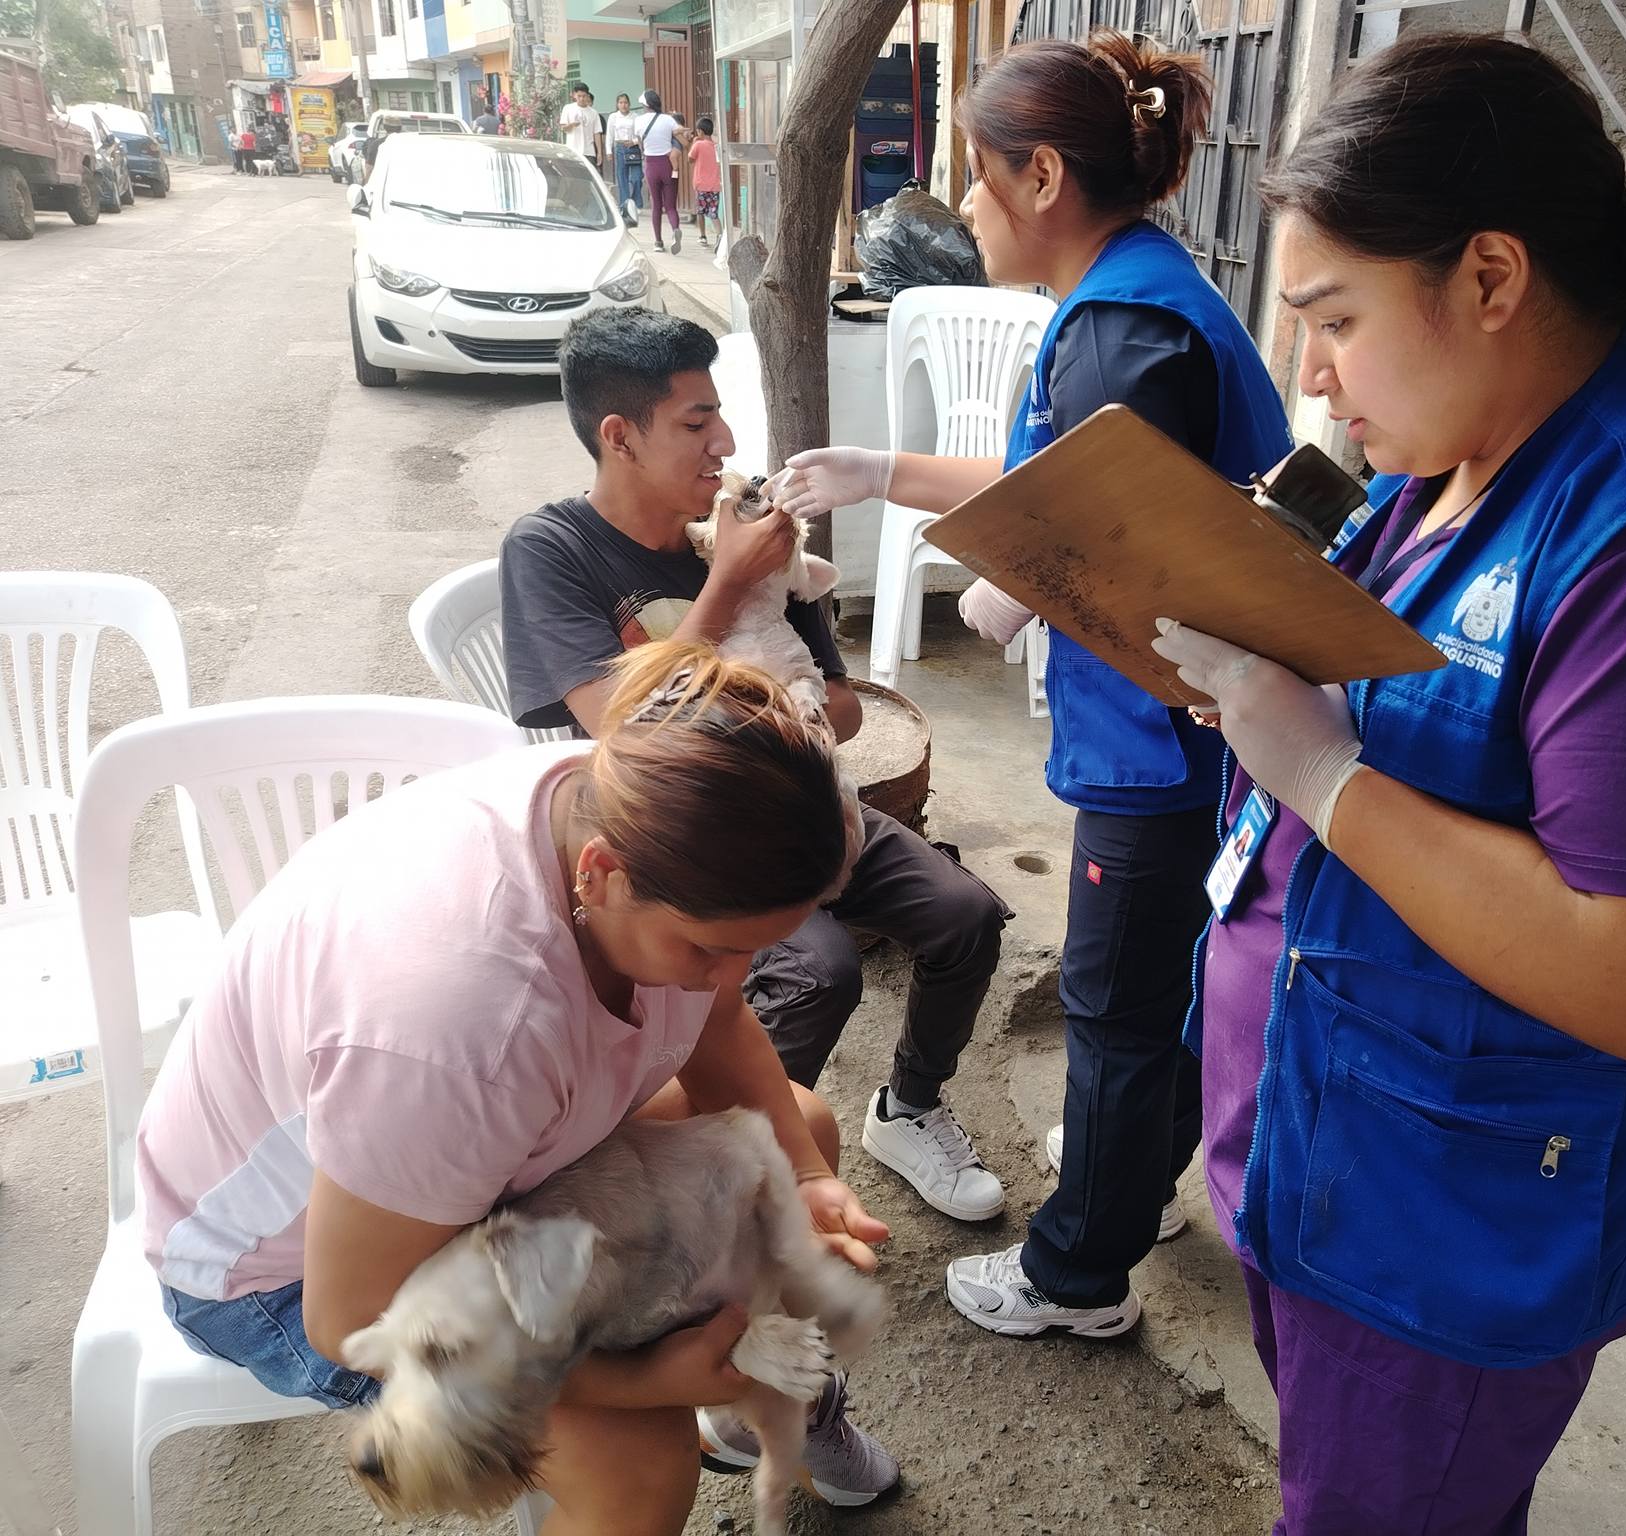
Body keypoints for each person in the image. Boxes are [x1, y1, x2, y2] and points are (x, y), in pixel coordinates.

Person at [1145, 34, 1626, 1533]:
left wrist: (1320, 772)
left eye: (1334, 318)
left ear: (1489, 278)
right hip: (1335, 1142)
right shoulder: (1451, 443)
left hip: (1456, 1225)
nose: (1309, 373)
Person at [138, 641, 903, 1533]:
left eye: (753, 948)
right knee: (640, 1465)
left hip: (454, 1172)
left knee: (789, 1131)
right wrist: (642, 1382)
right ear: (602, 876)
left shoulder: (635, 802)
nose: (724, 978)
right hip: (287, 1273)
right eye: (706, 948)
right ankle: (715, 1387)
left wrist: (807, 1171)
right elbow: (351, 1318)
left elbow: (720, 1017)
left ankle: (743, 1398)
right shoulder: (459, 1026)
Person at [774, 30, 1293, 1343]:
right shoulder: (1137, 289)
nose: (967, 210)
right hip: (1189, 737)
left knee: (1120, 1007)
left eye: (979, 177)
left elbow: (1119, 535)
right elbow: (1051, 483)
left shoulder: (1117, 328)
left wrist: (1024, 582)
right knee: (1161, 989)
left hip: (1164, 745)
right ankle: (1138, 1188)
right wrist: (878, 470)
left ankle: (1081, 1273)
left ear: (1045, 175)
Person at [500, 307, 1014, 1247]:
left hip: (801, 800)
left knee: (965, 914)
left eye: (720, 417)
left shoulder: (747, 534)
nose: (726, 444)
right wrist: (728, 586)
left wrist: (798, 695)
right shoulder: (553, 553)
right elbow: (618, 731)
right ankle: (721, 1165)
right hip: (681, 838)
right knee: (818, 968)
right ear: (620, 436)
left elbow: (841, 702)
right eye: (695, 423)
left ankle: (907, 1108)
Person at [638, 89, 684, 255]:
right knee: (671, 206)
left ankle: (658, 241)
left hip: (651, 164)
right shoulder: (668, 119)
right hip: (668, 164)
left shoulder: (639, 121)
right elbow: (680, 130)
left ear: (646, 105)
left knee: (656, 205)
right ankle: (675, 229)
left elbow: (640, 143)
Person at [606, 91, 642, 226]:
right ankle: (625, 205)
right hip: (620, 147)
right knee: (622, 177)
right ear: (617, 104)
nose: (623, 105)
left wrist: (634, 142)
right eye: (621, 102)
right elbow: (609, 135)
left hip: (633, 147)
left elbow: (640, 134)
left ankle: (637, 203)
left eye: (626, 102)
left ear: (629, 104)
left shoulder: (636, 117)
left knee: (636, 177)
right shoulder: (613, 117)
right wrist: (608, 151)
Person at [687, 116, 720, 247]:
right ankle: (719, 236)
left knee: (700, 211)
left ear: (700, 131)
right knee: (713, 213)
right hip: (715, 186)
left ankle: (703, 236)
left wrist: (694, 142)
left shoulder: (698, 145)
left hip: (701, 185)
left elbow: (690, 159)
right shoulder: (716, 147)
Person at [560, 81, 601, 173]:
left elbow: (597, 133)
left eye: (584, 96)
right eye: (579, 96)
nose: (582, 99)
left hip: (589, 151)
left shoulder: (593, 112)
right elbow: (563, 128)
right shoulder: (568, 108)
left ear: (587, 95)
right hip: (572, 151)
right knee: (574, 178)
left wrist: (599, 153)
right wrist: (571, 125)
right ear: (574, 95)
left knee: (590, 177)